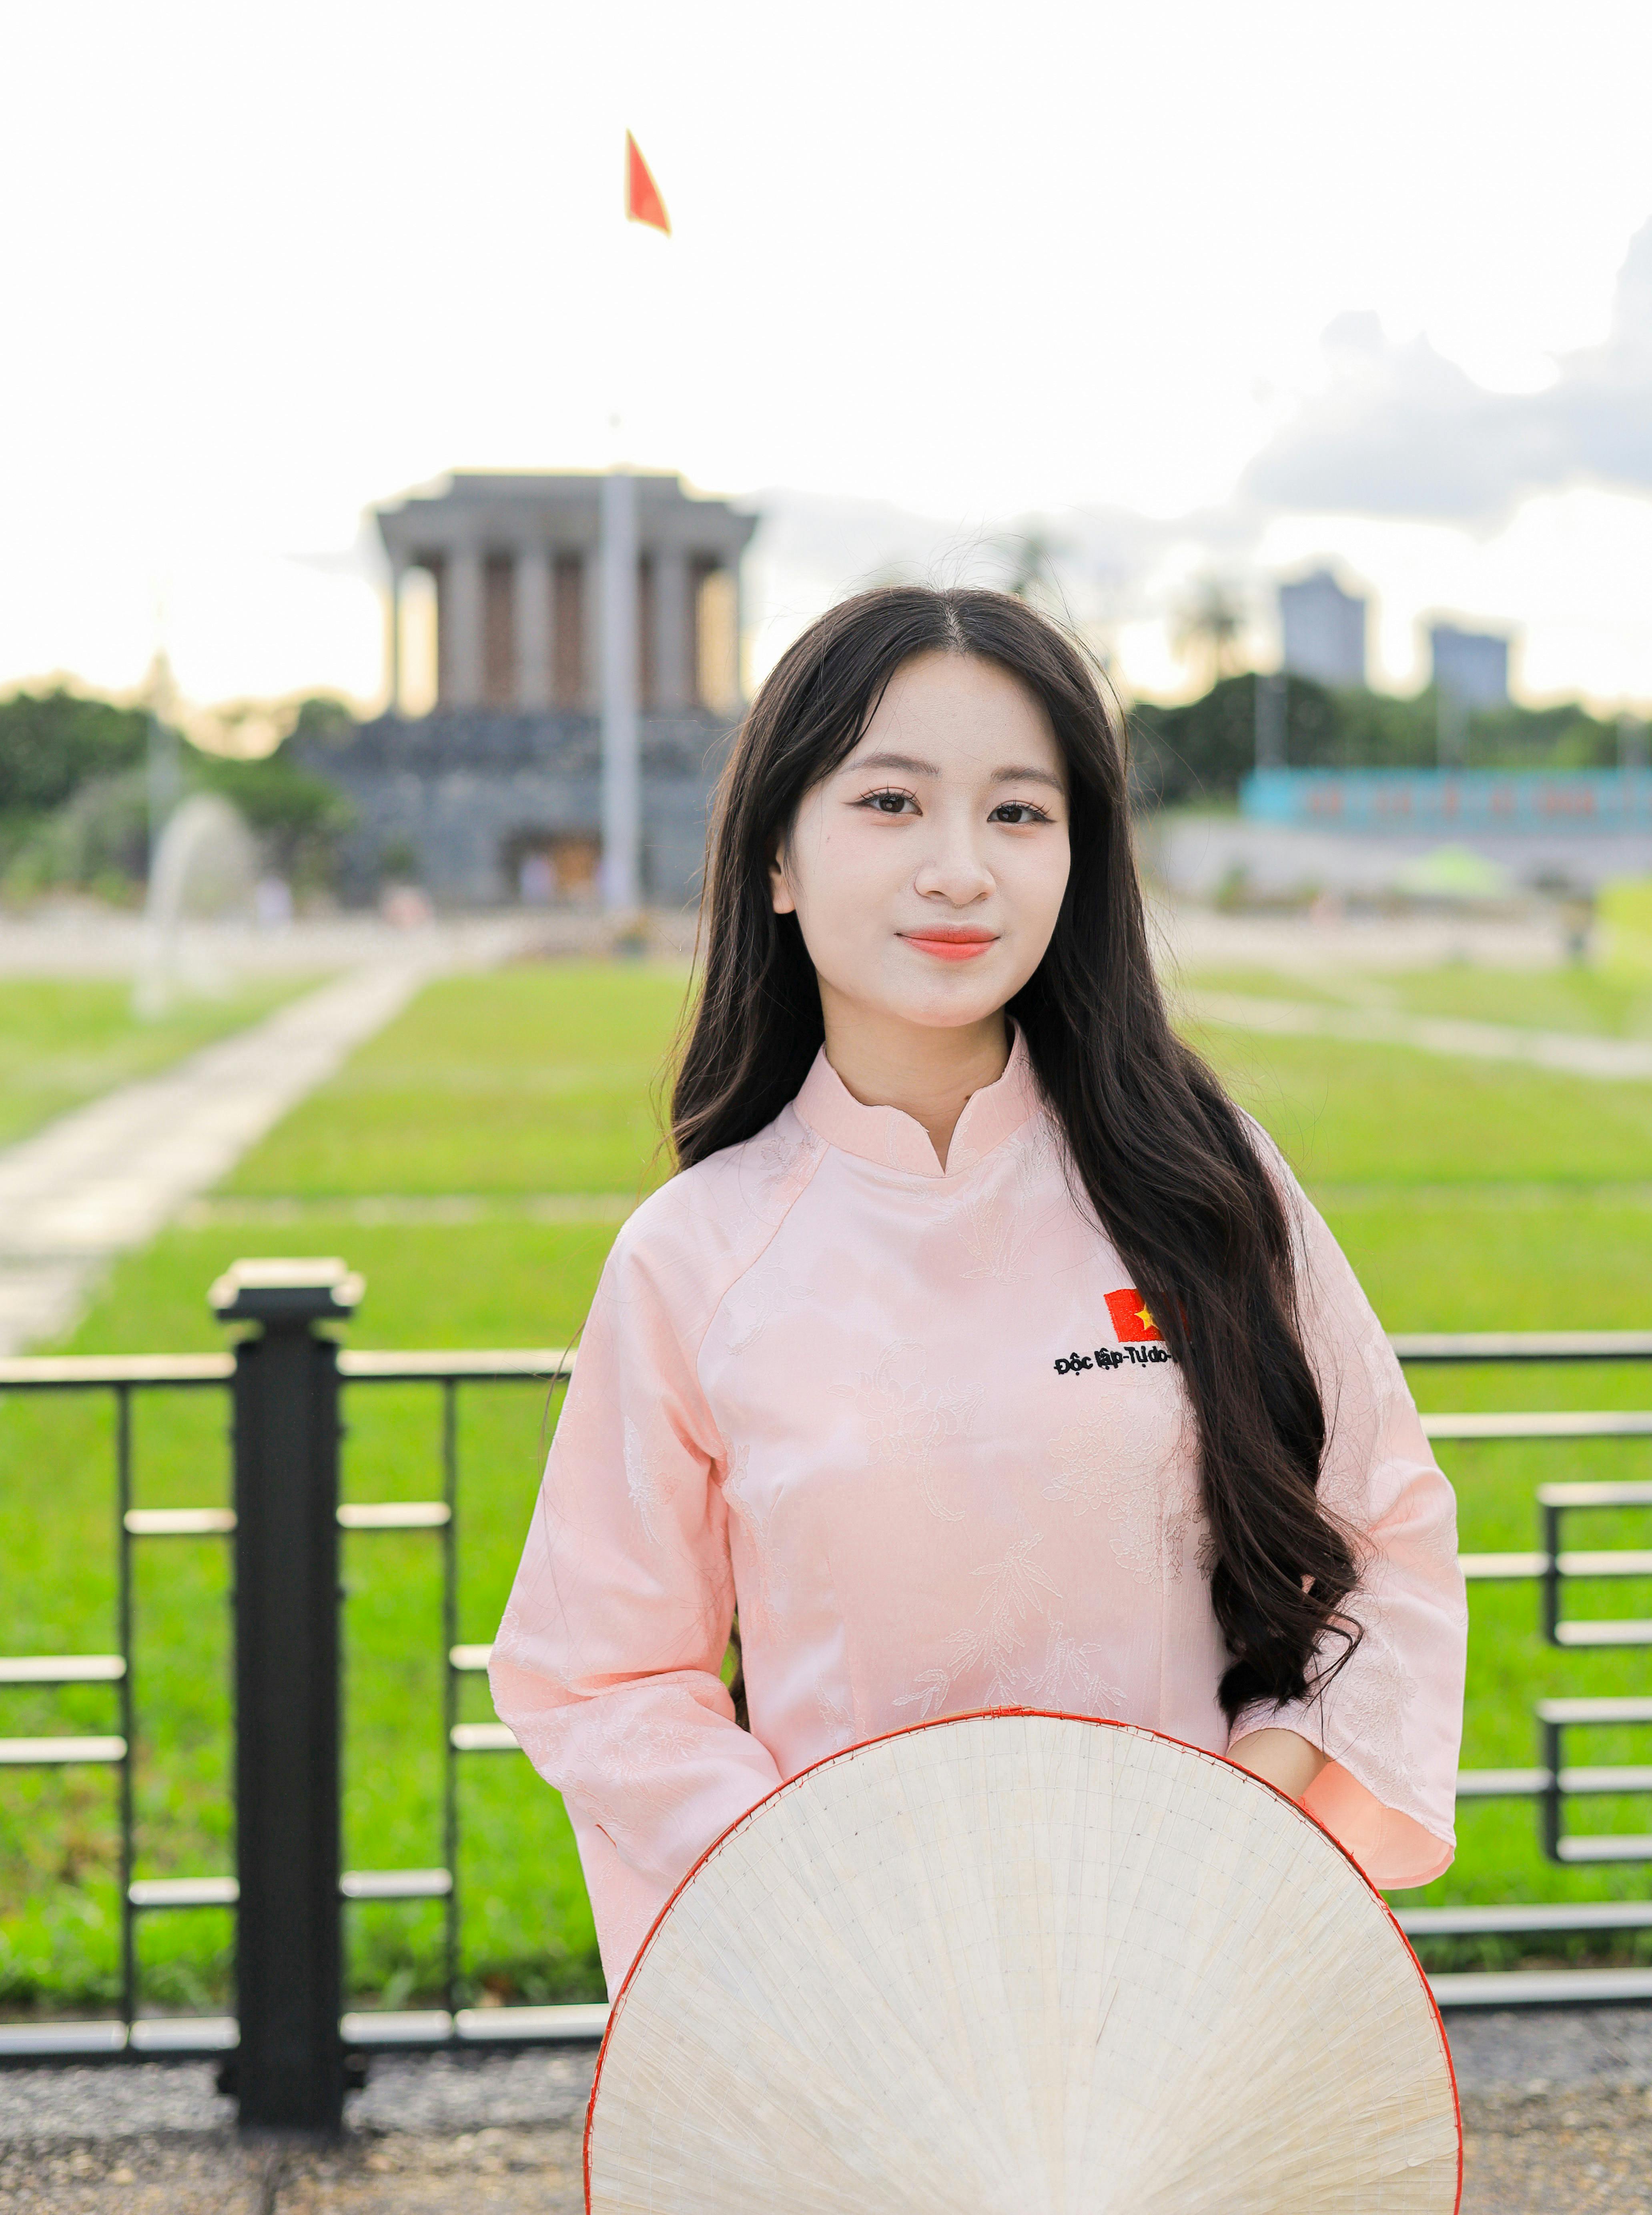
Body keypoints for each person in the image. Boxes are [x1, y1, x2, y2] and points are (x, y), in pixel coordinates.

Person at [490, 587, 1467, 1999]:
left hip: (1183, 1960)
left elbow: (1384, 1526)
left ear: (1080, 860)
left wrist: (1257, 1791)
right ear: (777, 855)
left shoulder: (1202, 1185)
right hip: (857, 1991)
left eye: (1020, 814)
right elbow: (600, 1675)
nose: (961, 870)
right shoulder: (694, 1256)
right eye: (891, 803)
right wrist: (816, 1871)